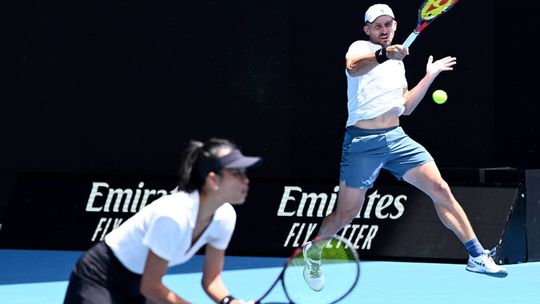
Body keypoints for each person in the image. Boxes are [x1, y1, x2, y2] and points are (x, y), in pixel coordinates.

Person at [302, 3, 508, 291]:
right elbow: (354, 66)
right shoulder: (358, 48)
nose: (383, 30)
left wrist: (430, 75)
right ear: (367, 30)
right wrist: (385, 53)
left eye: (388, 24)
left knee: (441, 190)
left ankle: (476, 254)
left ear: (396, 26)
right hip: (362, 142)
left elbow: (406, 107)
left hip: (396, 139)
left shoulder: (398, 63)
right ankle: (314, 251)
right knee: (346, 214)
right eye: (377, 26)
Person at [64, 138, 261, 304]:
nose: (246, 180)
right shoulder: (173, 216)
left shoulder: (225, 217)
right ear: (213, 180)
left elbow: (211, 279)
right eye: (237, 174)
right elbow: (151, 287)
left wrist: (229, 301)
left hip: (138, 285)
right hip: (98, 278)